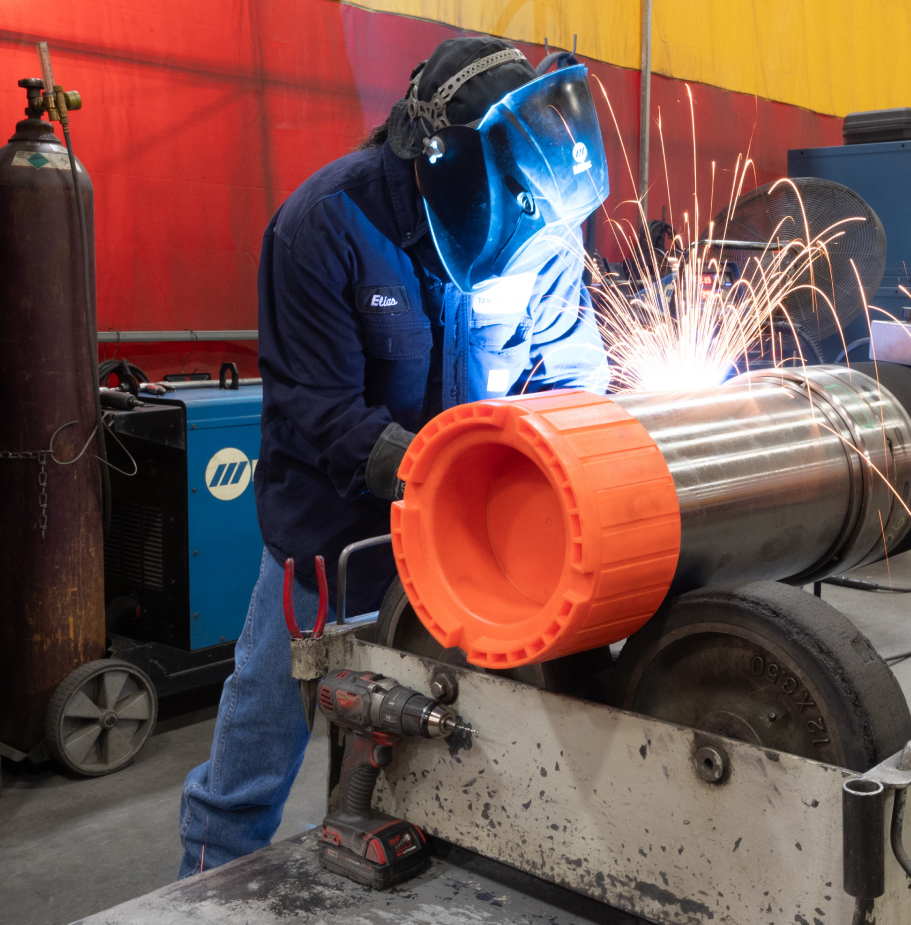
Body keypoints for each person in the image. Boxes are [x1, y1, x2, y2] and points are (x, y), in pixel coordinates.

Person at [178, 34, 609, 878]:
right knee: (258, 747)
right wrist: (445, 469)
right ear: (434, 157)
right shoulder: (324, 224)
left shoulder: (542, 226)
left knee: (417, 748)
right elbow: (316, 406)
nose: (520, 213)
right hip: (331, 538)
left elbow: (566, 375)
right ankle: (202, 887)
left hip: (468, 542)